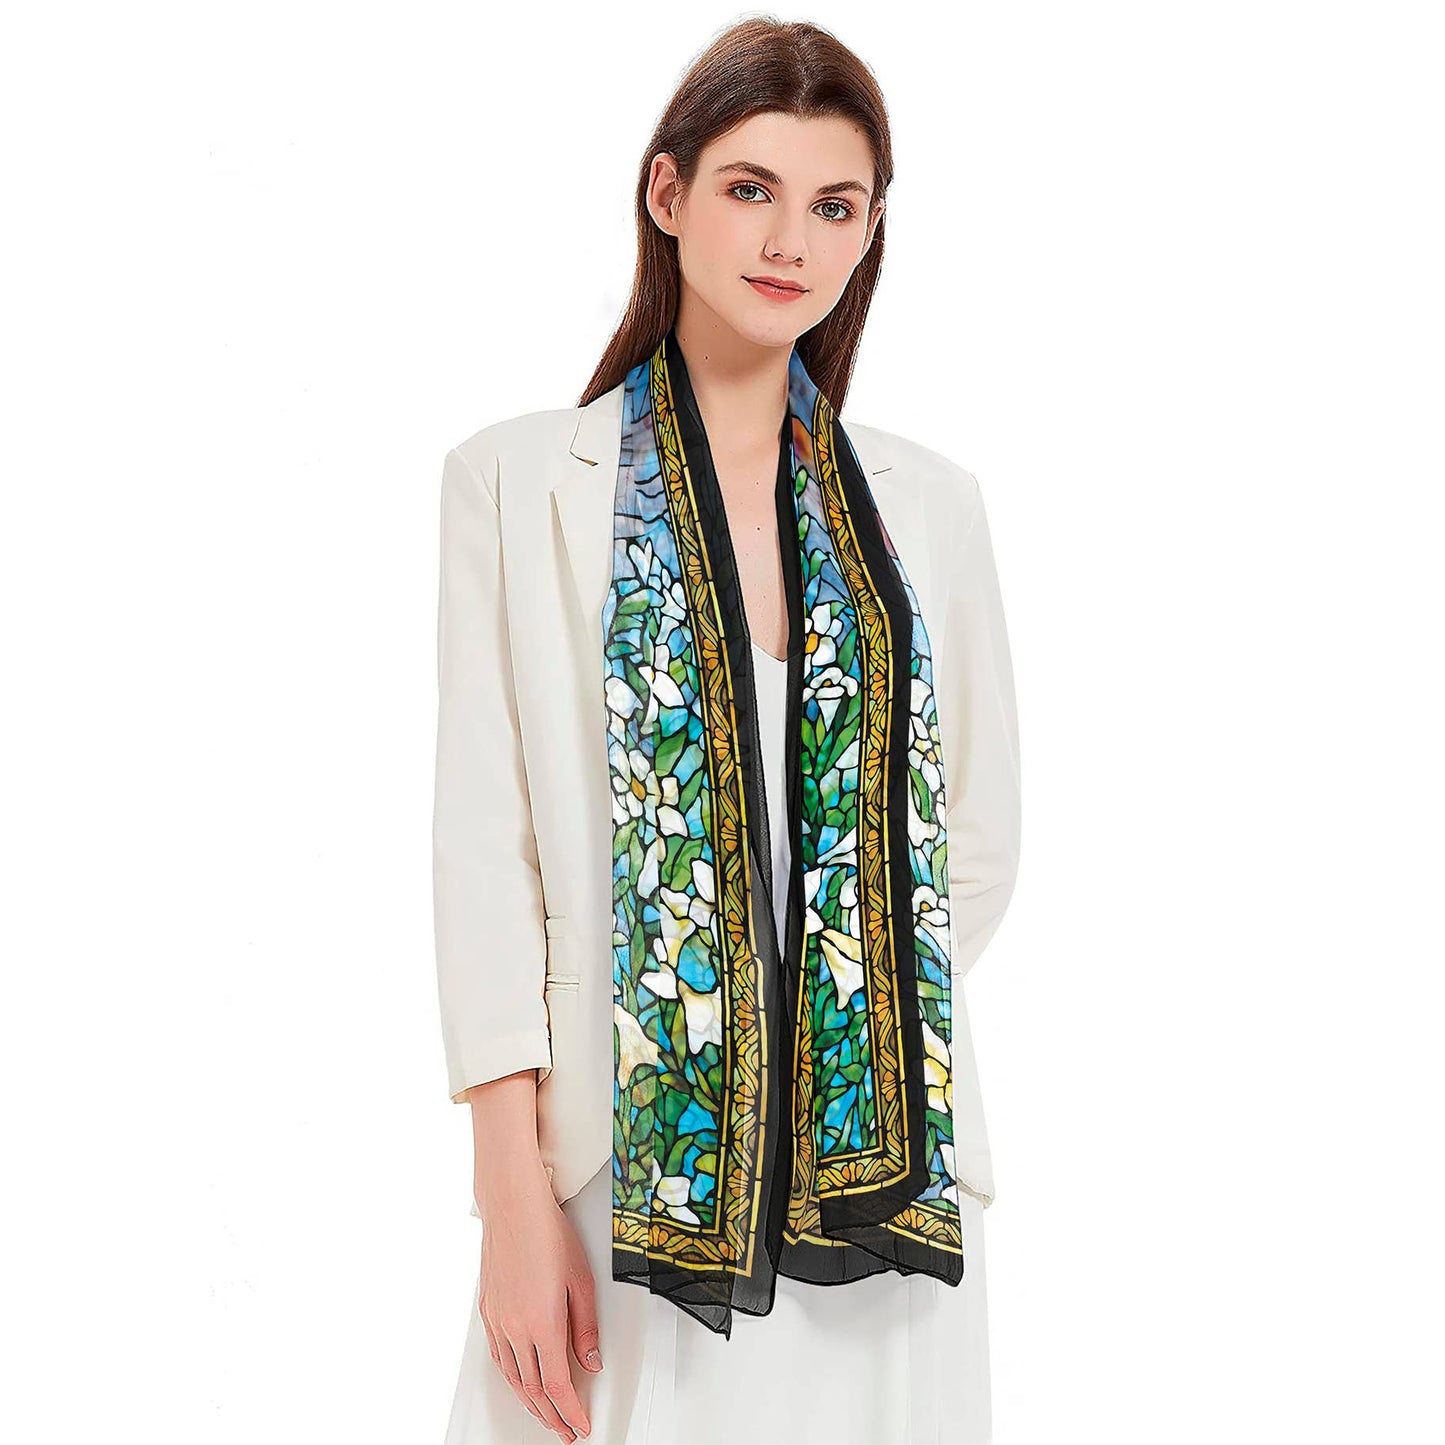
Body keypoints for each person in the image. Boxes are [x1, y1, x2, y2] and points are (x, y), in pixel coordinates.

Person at [432, 18, 1021, 1445]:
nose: (789, 241)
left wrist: (823, 1024)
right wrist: (513, 1198)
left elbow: (976, 840)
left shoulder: (928, 506)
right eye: (751, 187)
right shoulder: (520, 481)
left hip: (875, 1194)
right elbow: (486, 859)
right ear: (668, 191)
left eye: (835, 205)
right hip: (627, 1165)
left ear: (870, 231)